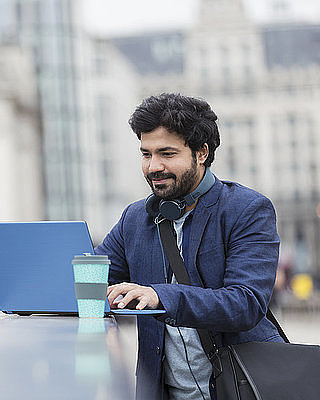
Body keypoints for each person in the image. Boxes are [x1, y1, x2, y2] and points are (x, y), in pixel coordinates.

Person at [95, 93, 283, 400]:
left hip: (242, 389)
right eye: (146, 154)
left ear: (201, 153)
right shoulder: (134, 219)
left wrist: (160, 296)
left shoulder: (247, 209)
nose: (153, 166)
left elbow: (245, 303)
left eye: (167, 154)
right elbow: (93, 279)